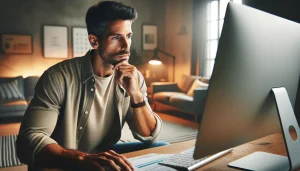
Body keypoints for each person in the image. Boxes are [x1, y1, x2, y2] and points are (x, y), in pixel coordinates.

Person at [16, 1, 167, 171]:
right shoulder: (57, 77)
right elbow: (28, 140)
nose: (126, 46)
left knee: (161, 146)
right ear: (94, 41)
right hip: (64, 160)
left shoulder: (134, 77)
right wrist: (80, 158)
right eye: (116, 37)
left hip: (103, 155)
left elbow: (148, 136)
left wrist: (137, 95)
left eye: (129, 36)